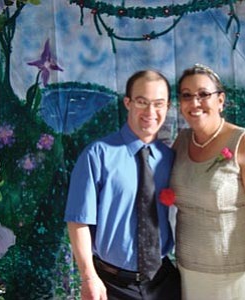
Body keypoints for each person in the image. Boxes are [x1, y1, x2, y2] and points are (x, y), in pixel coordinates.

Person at [170, 64, 245, 300]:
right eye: (187, 96)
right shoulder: (180, 142)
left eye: (203, 94)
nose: (195, 102)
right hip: (189, 274)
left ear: (220, 100)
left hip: (237, 277)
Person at [64, 70, 181, 300]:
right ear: (127, 103)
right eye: (142, 102)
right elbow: (78, 221)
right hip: (111, 285)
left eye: (158, 104)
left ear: (167, 107)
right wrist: (89, 277)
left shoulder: (170, 158)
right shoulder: (97, 155)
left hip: (163, 283)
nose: (150, 112)